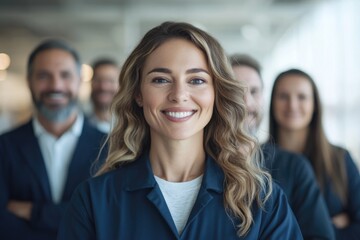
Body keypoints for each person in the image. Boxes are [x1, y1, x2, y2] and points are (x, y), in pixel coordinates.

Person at [58, 22, 302, 239]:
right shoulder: (93, 201)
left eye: (196, 80)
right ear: (138, 93)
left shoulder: (262, 202)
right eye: (161, 79)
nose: (179, 95)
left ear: (216, 93)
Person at [0, 39, 107, 240]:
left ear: (78, 81)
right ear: (28, 81)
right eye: (43, 76)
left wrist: (34, 212)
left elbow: (107, 217)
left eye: (65, 75)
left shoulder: (110, 147)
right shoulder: (4, 146)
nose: (55, 85)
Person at [230, 54, 335, 240]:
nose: (247, 103)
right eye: (234, 91)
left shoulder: (295, 166)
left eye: (254, 91)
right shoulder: (197, 165)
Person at [269, 68, 360, 239]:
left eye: (302, 97)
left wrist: (324, 232)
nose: (292, 105)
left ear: (315, 104)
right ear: (272, 103)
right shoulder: (258, 160)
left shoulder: (340, 159)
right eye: (283, 96)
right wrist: (327, 225)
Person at [88, 58, 120, 133]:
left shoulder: (131, 127)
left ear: (120, 85)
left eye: (110, 81)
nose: (103, 87)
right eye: (98, 80)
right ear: (91, 83)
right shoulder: (79, 124)